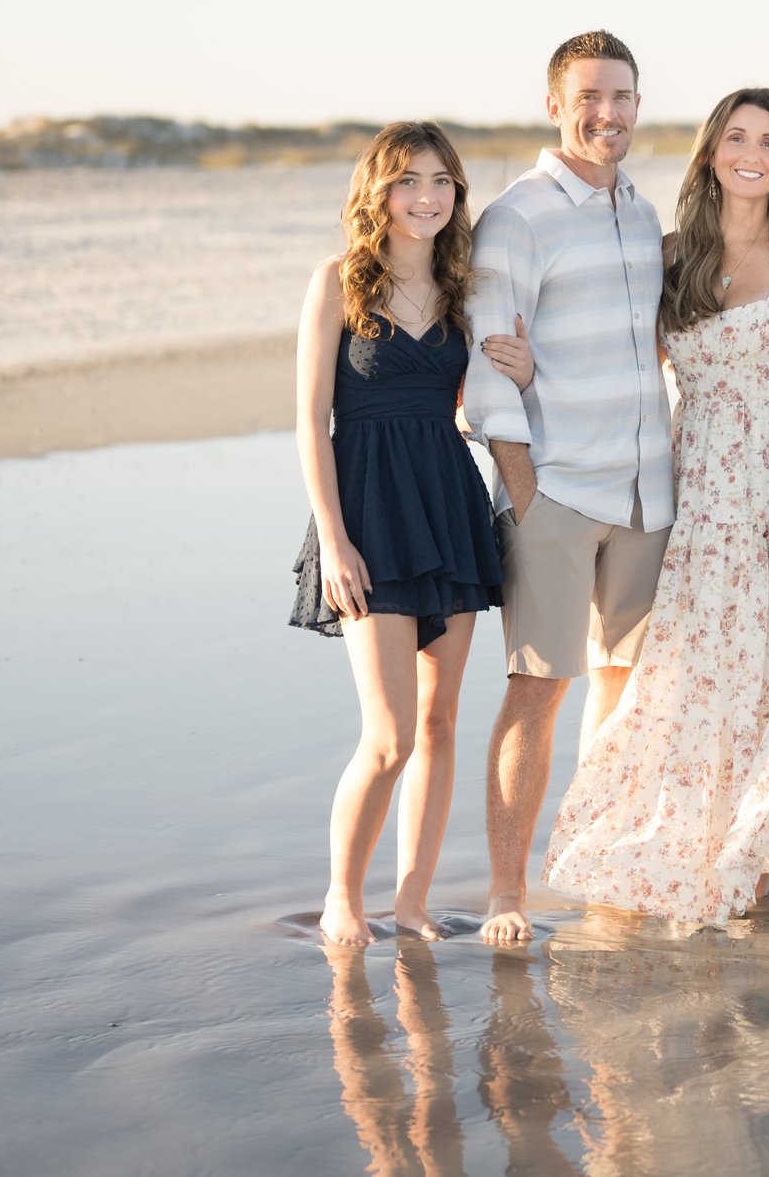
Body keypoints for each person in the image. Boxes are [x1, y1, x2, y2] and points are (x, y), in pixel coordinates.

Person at [534, 87, 769, 927]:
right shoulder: (670, 257)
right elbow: (619, 362)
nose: (752, 152)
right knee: (715, 681)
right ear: (712, 151)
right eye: (737, 136)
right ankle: (744, 849)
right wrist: (516, 365)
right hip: (696, 495)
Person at [462, 31, 675, 946]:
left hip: (646, 497)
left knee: (627, 693)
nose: (609, 113)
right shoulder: (517, 217)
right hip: (557, 491)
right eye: (591, 96)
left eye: (623, 96)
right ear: (556, 104)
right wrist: (525, 494)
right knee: (538, 689)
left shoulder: (641, 211)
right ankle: (509, 889)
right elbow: (484, 371)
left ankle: (605, 863)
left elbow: (646, 343)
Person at [291, 121, 504, 948]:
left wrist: (514, 368)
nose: (427, 196)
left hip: (446, 501)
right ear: (377, 192)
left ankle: (412, 900)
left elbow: (488, 394)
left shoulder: (464, 290)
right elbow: (312, 423)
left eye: (442, 181)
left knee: (442, 721)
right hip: (367, 512)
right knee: (389, 735)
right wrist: (334, 540)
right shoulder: (338, 281)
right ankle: (343, 896)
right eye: (408, 180)